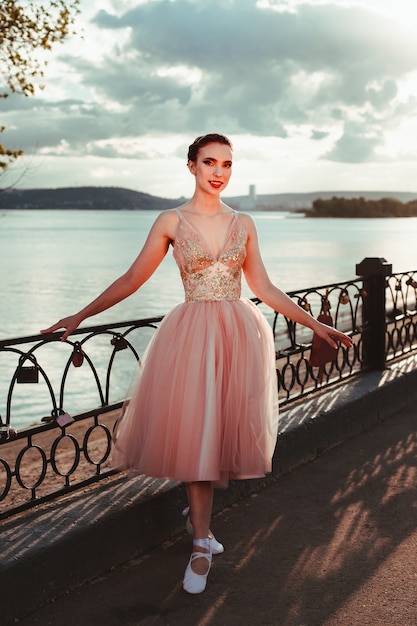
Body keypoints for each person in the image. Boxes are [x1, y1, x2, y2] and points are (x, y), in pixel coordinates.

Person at [41, 133, 352, 594]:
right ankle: (202, 543)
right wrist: (80, 316)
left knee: (220, 435)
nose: (219, 172)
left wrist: (314, 326)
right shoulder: (171, 220)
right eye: (209, 162)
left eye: (227, 164)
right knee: (200, 437)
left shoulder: (243, 223)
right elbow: (132, 278)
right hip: (191, 337)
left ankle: (196, 518)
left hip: (239, 335)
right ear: (191, 166)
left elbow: (263, 287)